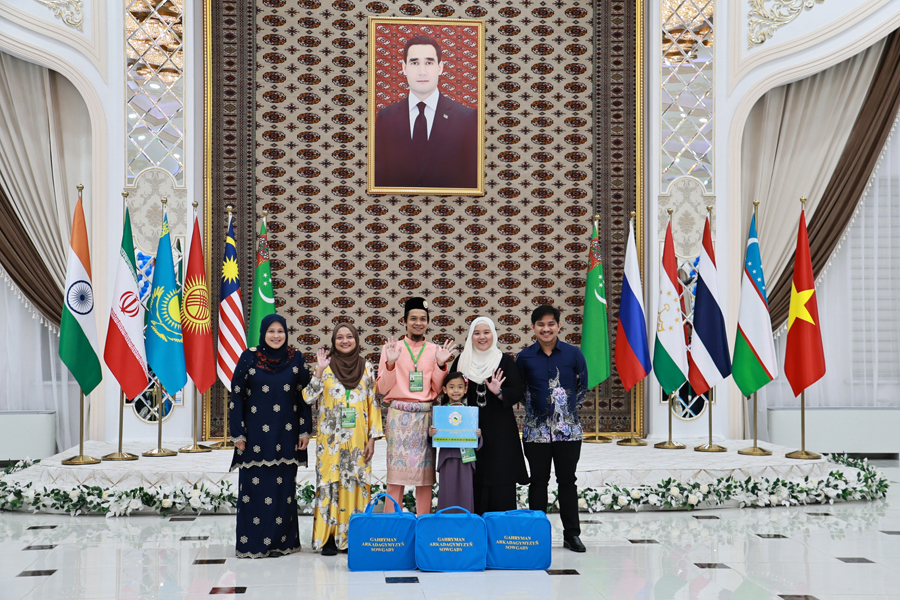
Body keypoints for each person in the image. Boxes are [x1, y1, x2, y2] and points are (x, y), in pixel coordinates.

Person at [229, 314, 312, 558]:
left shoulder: (295, 359)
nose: (276, 336)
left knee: (283, 490)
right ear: (263, 333)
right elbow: (236, 395)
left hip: (287, 433)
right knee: (254, 489)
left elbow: (305, 397)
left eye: (281, 332)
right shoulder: (249, 357)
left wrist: (305, 430)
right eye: (271, 331)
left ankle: (282, 544)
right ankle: (253, 544)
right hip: (254, 436)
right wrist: (238, 434)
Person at [303, 324, 383, 555]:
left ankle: (352, 537)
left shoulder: (366, 367)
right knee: (329, 484)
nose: (345, 341)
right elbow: (308, 398)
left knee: (355, 484)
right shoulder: (326, 366)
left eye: (349, 337)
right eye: (340, 337)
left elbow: (373, 403)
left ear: (357, 340)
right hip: (330, 441)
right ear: (333, 340)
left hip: (358, 440)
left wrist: (373, 439)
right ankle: (328, 538)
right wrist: (318, 371)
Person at [516, 305, 588, 553]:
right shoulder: (524, 358)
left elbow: (582, 388)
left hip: (568, 432)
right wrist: (537, 414)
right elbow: (521, 391)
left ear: (559, 326)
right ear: (533, 328)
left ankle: (572, 535)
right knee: (538, 482)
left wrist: (564, 414)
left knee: (567, 481)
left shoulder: (573, 354)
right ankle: (537, 535)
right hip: (535, 433)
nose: (545, 329)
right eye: (540, 324)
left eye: (550, 324)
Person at [377, 297, 457, 516]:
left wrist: (441, 365)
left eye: (423, 319)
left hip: (424, 417)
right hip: (398, 416)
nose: (418, 323)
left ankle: (423, 525)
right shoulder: (392, 348)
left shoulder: (434, 350)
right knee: (396, 477)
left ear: (428, 323)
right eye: (413, 318)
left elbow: (438, 389)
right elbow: (383, 388)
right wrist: (391, 363)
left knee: (425, 478)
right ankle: (392, 527)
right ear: (404, 321)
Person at [373, 34, 479, 189]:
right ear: (404, 68)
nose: (422, 71)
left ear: (440, 67)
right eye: (414, 63)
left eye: (429, 62)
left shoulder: (466, 118)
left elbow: (471, 180)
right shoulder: (386, 118)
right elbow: (379, 179)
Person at [449, 316, 528, 514]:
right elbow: (449, 390)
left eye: (486, 332)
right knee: (472, 476)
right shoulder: (461, 361)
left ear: (493, 335)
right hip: (468, 431)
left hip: (500, 430)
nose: (482, 337)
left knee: (500, 476)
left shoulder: (504, 361)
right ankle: (473, 528)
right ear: (470, 336)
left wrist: (499, 392)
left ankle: (500, 532)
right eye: (477, 333)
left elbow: (518, 390)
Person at [428, 371, 483, 512]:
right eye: (451, 387)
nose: (456, 390)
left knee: (465, 493)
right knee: (447, 493)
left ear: (465, 390)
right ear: (445, 390)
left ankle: (465, 527)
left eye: (460, 387)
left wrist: (478, 435)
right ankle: (446, 527)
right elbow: (432, 441)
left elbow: (477, 442)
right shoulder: (441, 412)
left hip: (466, 458)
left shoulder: (470, 412)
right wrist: (432, 434)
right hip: (447, 458)